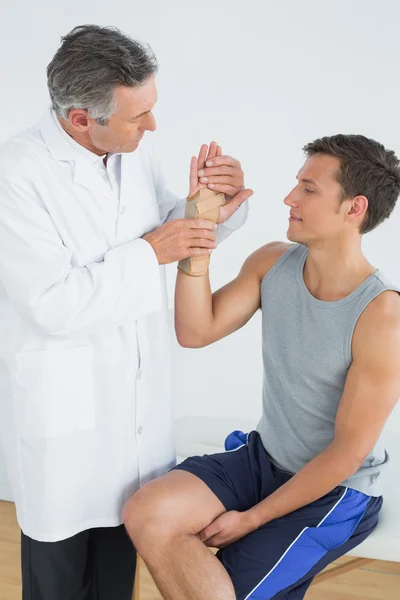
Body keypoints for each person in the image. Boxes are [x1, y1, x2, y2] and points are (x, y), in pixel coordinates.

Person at [0, 24, 252, 600]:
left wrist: (213, 204)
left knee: (119, 568)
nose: (153, 127)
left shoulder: (130, 150)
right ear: (81, 117)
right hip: (65, 410)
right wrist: (149, 253)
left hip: (134, 404)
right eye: (138, 117)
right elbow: (51, 303)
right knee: (59, 577)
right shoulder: (16, 173)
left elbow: (167, 223)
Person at [123, 134, 400, 600]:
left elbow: (345, 455)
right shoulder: (274, 263)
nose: (289, 198)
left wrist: (250, 520)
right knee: (148, 512)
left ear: (355, 209)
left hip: (335, 490)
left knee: (221, 589)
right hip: (263, 458)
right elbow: (195, 331)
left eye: (309, 190)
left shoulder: (382, 316)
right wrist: (199, 228)